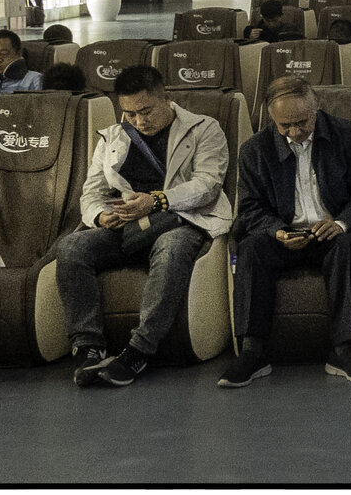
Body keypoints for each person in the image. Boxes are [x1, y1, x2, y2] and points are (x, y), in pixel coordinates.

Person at [56, 65, 234, 388]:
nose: (139, 121)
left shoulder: (205, 129)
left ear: (167, 97)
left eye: (146, 111)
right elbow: (92, 192)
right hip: (129, 226)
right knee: (71, 247)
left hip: (181, 220)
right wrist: (100, 216)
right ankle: (88, 345)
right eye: (130, 114)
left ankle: (140, 349)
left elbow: (208, 185)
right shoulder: (113, 138)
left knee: (173, 248)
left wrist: (157, 200)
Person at [227, 76, 351, 387]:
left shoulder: (345, 136)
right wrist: (276, 231)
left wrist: (340, 223)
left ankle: (345, 349)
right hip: (284, 236)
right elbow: (249, 208)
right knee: (251, 248)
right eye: (285, 126)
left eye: (302, 122)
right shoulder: (254, 150)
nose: (294, 132)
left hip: (332, 233)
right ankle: (252, 351)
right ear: (271, 118)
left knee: (350, 246)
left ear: (316, 109)